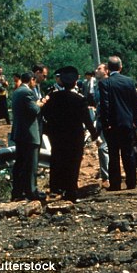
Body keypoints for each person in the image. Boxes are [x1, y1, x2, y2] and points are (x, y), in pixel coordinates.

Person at [42, 66, 96, 200]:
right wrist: (94, 133)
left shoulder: (53, 97)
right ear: (76, 81)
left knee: (57, 159)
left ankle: (56, 188)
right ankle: (71, 190)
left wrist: (49, 129)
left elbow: (44, 114)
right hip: (74, 136)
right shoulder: (79, 99)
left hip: (57, 135)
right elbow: (87, 119)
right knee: (73, 162)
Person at [98, 56, 137, 191]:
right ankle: (131, 183)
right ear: (120, 67)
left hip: (112, 125)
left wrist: (106, 123)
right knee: (128, 154)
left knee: (114, 155)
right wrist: (135, 121)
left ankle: (115, 184)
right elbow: (136, 102)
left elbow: (105, 105)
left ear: (108, 69)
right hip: (127, 124)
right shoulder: (129, 82)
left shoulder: (105, 83)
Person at [10, 72, 45, 201]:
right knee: (31, 164)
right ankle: (31, 191)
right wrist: (40, 104)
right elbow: (34, 110)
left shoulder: (17, 91)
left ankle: (18, 191)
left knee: (20, 163)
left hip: (20, 133)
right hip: (29, 134)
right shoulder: (27, 92)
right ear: (31, 80)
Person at [93, 63, 110, 188]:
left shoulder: (108, 84)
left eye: (99, 69)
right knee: (101, 146)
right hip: (99, 119)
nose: (96, 70)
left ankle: (106, 177)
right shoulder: (97, 85)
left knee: (103, 147)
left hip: (106, 120)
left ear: (106, 71)